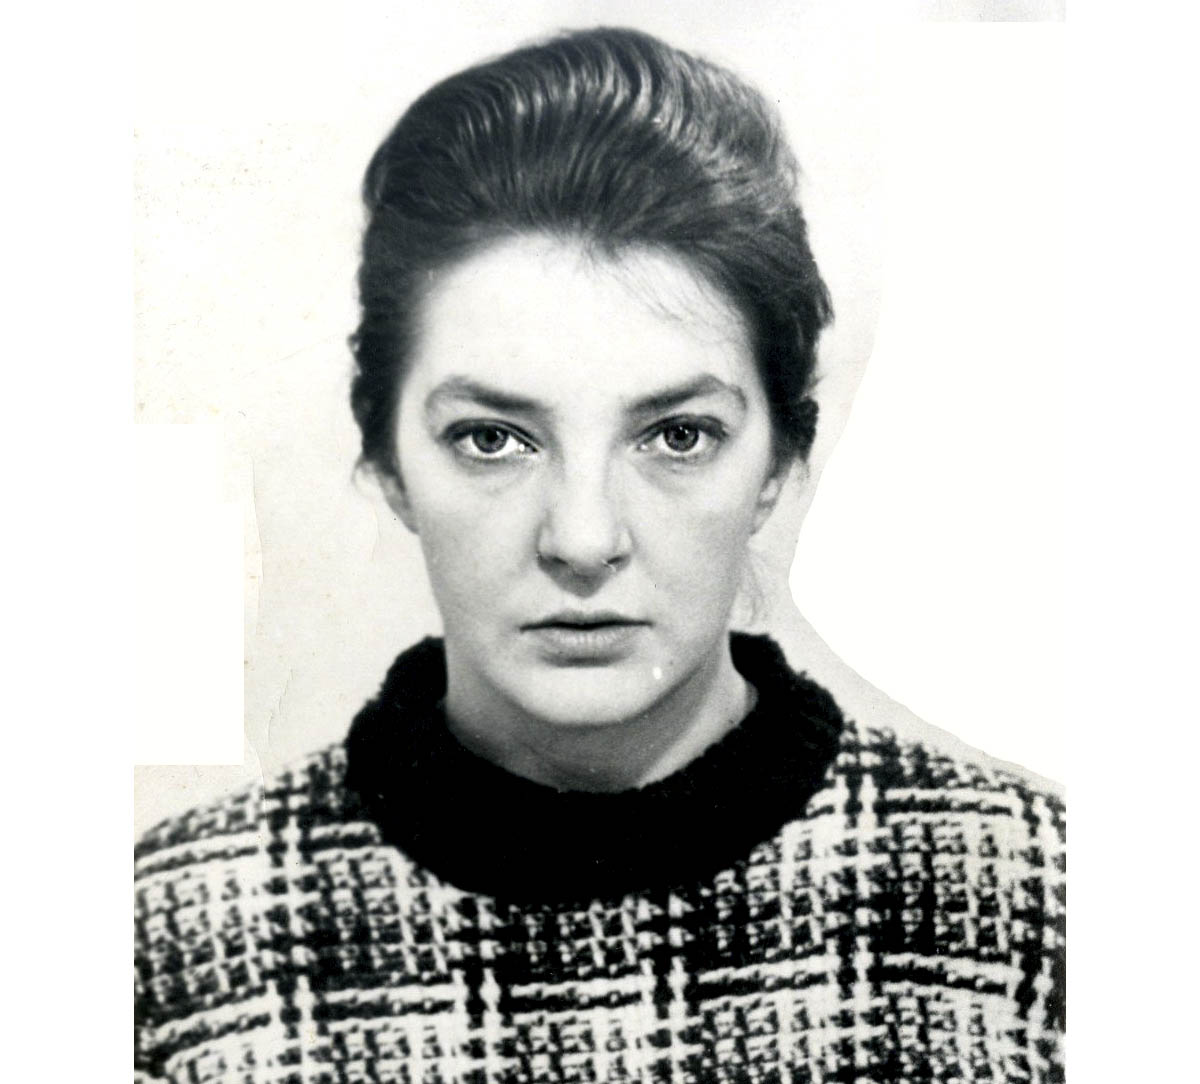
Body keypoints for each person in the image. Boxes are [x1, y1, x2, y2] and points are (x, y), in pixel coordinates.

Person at [134, 27, 1064, 1083]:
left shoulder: (1042, 905)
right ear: (389, 462)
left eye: (678, 436)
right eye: (494, 439)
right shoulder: (168, 950)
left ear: (778, 463)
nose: (582, 539)